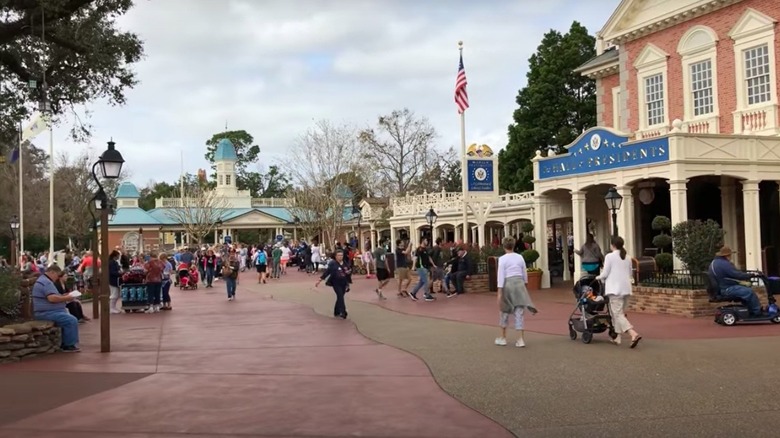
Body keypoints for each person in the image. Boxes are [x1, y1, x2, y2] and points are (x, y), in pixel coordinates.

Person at [597, 236, 642, 348]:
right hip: (626, 289)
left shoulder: (609, 256)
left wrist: (598, 277)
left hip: (614, 290)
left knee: (617, 314)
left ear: (613, 245)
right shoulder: (627, 257)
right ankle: (617, 338)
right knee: (617, 314)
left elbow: (605, 273)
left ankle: (633, 333)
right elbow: (630, 274)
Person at [495, 237, 538, 348]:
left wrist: (499, 292)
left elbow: (500, 275)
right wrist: (525, 284)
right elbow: (524, 272)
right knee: (519, 312)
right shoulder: (520, 257)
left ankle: (503, 338)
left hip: (508, 284)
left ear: (504, 246)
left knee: (504, 310)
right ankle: (520, 339)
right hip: (519, 284)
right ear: (513, 245)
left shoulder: (502, 259)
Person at [32, 265, 81, 352]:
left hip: (49, 311)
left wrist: (63, 296)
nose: (57, 278)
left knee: (69, 317)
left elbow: (52, 296)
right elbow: (52, 298)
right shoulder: (46, 282)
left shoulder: (44, 281)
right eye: (57, 275)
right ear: (52, 272)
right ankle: (68, 345)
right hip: (46, 312)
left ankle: (68, 342)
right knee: (71, 320)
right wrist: (67, 298)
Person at [710, 245, 762, 316]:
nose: (731, 257)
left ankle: (749, 310)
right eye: (730, 255)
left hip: (722, 287)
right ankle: (757, 312)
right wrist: (751, 275)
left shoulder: (714, 263)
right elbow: (736, 274)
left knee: (745, 290)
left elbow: (729, 276)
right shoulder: (724, 264)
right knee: (749, 292)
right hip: (727, 288)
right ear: (727, 255)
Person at [315, 249, 352, 319]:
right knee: (340, 296)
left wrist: (349, 273)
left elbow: (348, 270)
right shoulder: (332, 263)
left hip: (344, 283)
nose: (340, 257)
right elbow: (327, 272)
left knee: (340, 297)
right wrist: (319, 280)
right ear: (335, 256)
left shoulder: (345, 262)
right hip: (336, 283)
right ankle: (343, 312)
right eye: (339, 255)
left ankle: (336, 311)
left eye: (341, 255)